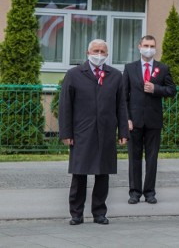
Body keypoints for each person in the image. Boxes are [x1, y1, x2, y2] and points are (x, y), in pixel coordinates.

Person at [58, 39, 129, 226]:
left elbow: (121, 105)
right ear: (87, 52)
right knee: (79, 174)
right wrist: (66, 133)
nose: (99, 54)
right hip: (81, 132)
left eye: (102, 51)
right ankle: (76, 213)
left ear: (107, 54)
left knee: (102, 173)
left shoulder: (115, 75)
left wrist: (123, 131)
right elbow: (65, 105)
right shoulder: (74, 74)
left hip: (105, 131)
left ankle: (99, 212)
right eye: (96, 50)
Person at [123, 35, 176, 205]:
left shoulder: (163, 68)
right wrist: (127, 119)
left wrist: (156, 89)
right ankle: (134, 192)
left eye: (152, 46)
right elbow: (124, 97)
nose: (149, 48)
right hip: (134, 121)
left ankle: (150, 192)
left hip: (154, 120)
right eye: (146, 45)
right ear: (139, 46)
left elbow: (171, 90)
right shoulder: (130, 68)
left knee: (152, 158)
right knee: (134, 158)